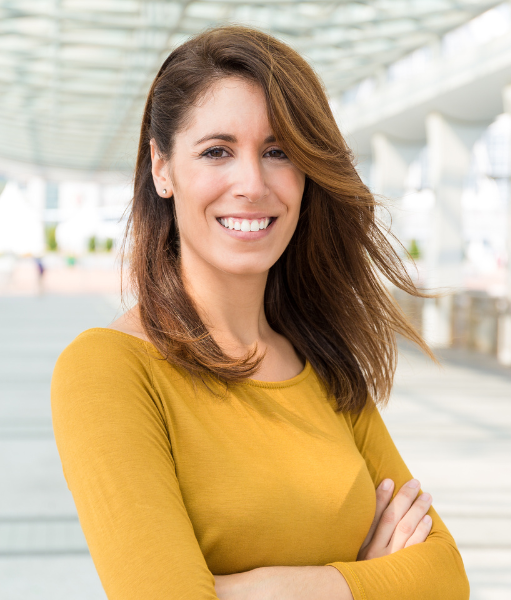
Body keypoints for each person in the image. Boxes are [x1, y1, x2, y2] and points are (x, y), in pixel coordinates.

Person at [51, 26, 469, 600]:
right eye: (217, 151)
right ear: (162, 168)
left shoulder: (322, 363)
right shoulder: (109, 370)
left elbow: (445, 577)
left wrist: (260, 589)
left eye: (278, 152)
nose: (252, 184)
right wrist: (366, 578)